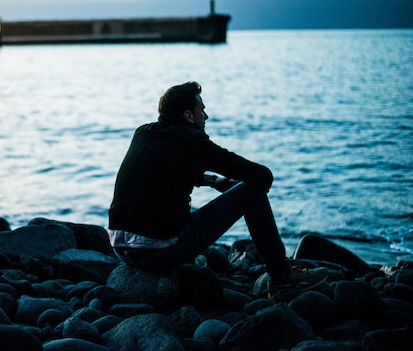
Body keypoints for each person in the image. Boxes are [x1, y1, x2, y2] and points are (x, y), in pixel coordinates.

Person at [108, 81, 324, 292]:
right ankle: (282, 275)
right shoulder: (193, 142)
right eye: (202, 109)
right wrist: (239, 186)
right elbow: (262, 176)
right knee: (252, 193)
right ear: (188, 116)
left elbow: (165, 172)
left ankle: (186, 260)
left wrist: (213, 181)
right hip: (157, 254)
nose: (206, 116)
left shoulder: (144, 133)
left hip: (120, 248)